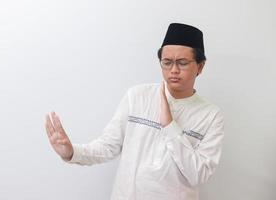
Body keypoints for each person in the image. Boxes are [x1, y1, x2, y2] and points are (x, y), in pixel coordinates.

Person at [45, 23, 225, 200]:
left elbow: (199, 174)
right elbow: (108, 146)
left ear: (200, 66)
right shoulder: (137, 96)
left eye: (183, 63)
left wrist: (170, 125)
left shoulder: (211, 116)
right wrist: (71, 152)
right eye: (167, 62)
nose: (173, 70)